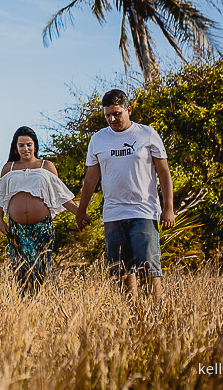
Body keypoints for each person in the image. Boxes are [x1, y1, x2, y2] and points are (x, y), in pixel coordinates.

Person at [76, 89, 175, 302]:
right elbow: (91, 179)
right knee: (121, 271)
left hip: (144, 212)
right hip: (113, 215)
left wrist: (168, 208)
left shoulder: (147, 134)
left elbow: (164, 172)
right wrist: (81, 210)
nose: (112, 119)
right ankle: (129, 319)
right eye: (108, 115)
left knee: (149, 270)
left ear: (128, 110)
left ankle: (155, 319)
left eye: (117, 113)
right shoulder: (98, 139)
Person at [0, 126, 85, 294]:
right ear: (15, 147)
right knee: (21, 269)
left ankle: (42, 302)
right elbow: (0, 196)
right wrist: (0, 219)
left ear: (35, 145)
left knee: (41, 268)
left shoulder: (46, 166)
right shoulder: (9, 168)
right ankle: (26, 307)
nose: (25, 149)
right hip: (16, 228)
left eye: (29, 144)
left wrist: (80, 214)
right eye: (21, 145)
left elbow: (62, 196)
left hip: (42, 227)